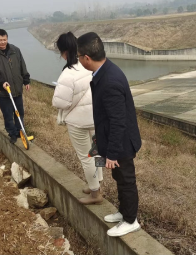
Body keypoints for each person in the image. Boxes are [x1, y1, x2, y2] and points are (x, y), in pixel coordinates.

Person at [77, 32, 142, 237]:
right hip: (115, 140)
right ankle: (123, 212)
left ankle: (131, 220)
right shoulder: (105, 71)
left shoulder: (110, 80)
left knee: (126, 180)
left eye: (79, 56)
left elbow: (118, 121)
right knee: (119, 177)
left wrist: (112, 153)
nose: (78, 60)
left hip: (122, 143)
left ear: (86, 58)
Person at [52, 32, 103, 205]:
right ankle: (97, 183)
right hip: (95, 118)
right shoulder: (88, 65)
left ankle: (95, 194)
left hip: (78, 122)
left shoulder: (68, 73)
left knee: (86, 157)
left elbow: (60, 102)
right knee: (96, 152)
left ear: (63, 52)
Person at [0, 29, 30, 144]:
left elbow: (22, 66)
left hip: (17, 89)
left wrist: (26, 80)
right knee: (8, 114)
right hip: (3, 91)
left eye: (4, 39)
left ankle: (21, 132)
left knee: (19, 112)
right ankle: (12, 134)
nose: (3, 42)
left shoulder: (15, 50)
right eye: (0, 40)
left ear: (7, 39)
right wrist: (2, 82)